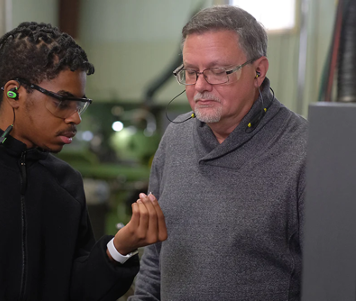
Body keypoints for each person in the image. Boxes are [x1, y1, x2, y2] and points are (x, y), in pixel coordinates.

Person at [0, 22, 167, 301]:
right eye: (62, 102)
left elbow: (77, 291)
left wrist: (120, 248)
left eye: (79, 104)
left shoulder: (65, 184)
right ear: (13, 93)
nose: (75, 117)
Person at [129, 5, 307, 301]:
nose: (200, 86)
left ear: (258, 71)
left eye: (218, 72)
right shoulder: (175, 138)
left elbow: (331, 278)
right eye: (190, 72)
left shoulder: (303, 150)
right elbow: (155, 258)